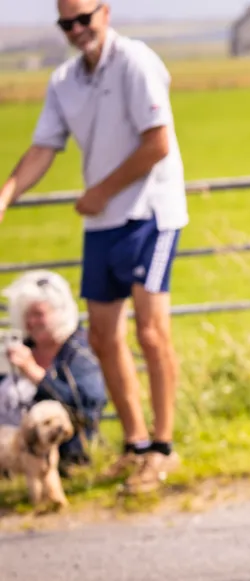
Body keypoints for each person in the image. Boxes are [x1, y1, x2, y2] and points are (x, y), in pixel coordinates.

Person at [0, 0, 189, 494]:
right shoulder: (65, 81)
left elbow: (158, 143)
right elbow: (44, 146)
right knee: (104, 338)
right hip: (103, 223)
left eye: (85, 18)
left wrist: (101, 190)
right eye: (67, 23)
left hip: (151, 213)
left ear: (106, 11)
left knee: (151, 334)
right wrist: (5, 195)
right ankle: (135, 444)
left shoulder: (136, 61)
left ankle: (162, 451)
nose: (78, 29)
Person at [2, 271, 107, 472]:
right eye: (26, 316)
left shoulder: (79, 351)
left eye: (39, 314)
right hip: (8, 454)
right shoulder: (18, 347)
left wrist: (34, 373)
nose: (31, 322)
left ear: (60, 313)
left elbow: (86, 407)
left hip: (60, 456)